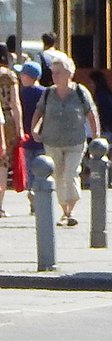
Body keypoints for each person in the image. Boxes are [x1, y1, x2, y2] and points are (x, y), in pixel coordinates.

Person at [31, 50, 100, 227]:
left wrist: (96, 136)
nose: (54, 76)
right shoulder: (48, 93)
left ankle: (71, 209)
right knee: (58, 175)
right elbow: (39, 111)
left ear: (69, 73)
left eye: (58, 72)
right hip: (52, 140)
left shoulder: (80, 92)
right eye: (53, 72)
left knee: (71, 173)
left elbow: (91, 114)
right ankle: (65, 212)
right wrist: (34, 130)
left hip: (75, 141)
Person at [17, 61, 44, 214]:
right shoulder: (44, 92)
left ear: (28, 76)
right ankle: (38, 195)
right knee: (42, 168)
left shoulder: (21, 93)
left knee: (29, 169)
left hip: (26, 137)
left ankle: (32, 192)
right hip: (42, 137)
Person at [0, 44, 17, 217]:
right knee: (3, 163)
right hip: (6, 119)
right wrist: (20, 127)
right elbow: (15, 103)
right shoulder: (9, 76)